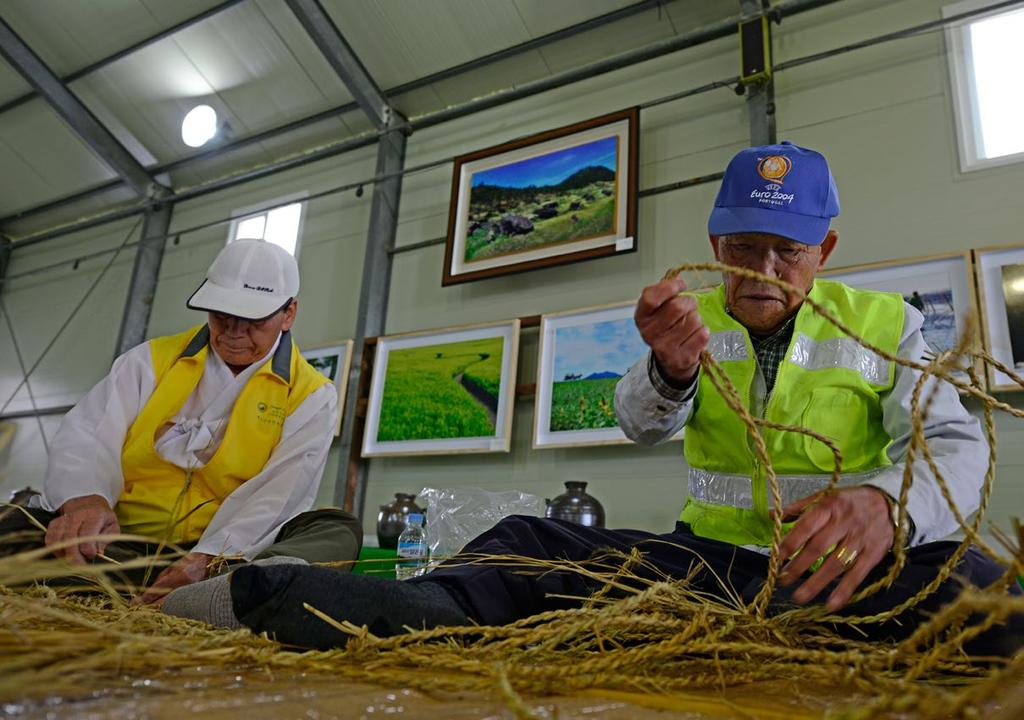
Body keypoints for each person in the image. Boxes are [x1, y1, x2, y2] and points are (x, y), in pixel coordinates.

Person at [160, 144, 1021, 655]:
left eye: (786, 253)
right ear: (716, 239)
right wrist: (669, 370)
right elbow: (638, 424)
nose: (760, 271)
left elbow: (956, 445)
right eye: (744, 247)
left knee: (985, 592)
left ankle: (815, 630)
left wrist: (884, 508)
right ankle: (302, 599)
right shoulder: (687, 314)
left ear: (824, 248)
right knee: (538, 547)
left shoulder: (890, 326)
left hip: (844, 577)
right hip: (712, 570)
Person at [0, 239, 361, 605]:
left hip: (223, 561)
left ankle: (215, 593)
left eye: (253, 320)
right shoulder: (150, 361)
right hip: (120, 547)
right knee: (12, 522)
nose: (234, 331)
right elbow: (89, 436)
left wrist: (207, 559)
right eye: (221, 315)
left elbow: (279, 495)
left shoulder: (312, 395)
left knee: (337, 529)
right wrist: (86, 504)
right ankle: (205, 601)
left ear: (289, 314)